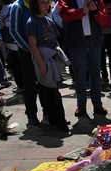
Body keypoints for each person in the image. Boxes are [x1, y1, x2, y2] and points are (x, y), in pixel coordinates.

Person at [59, 0, 109, 118]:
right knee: (80, 77)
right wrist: (82, 11)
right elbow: (65, 15)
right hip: (77, 43)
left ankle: (97, 105)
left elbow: (105, 20)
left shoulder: (97, 1)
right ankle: (81, 106)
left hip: (94, 42)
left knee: (96, 75)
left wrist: (95, 11)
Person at [27, 0, 70, 131]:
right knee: (51, 91)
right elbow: (33, 46)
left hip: (53, 58)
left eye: (47, 2)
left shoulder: (49, 21)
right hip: (43, 59)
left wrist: (61, 61)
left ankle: (54, 119)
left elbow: (55, 41)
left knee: (52, 89)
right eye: (42, 3)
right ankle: (59, 120)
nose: (46, 5)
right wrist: (41, 64)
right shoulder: (32, 22)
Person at [11, 0, 48, 125]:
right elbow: (14, 31)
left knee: (44, 81)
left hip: (41, 50)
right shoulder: (17, 7)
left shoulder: (37, 3)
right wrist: (28, 47)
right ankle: (31, 115)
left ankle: (47, 112)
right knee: (30, 83)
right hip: (26, 51)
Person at [1, 0, 24, 93]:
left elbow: (13, 23)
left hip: (15, 41)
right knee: (16, 64)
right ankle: (22, 85)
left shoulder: (13, 6)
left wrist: (4, 24)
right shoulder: (10, 6)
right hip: (12, 42)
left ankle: (22, 86)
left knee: (17, 65)